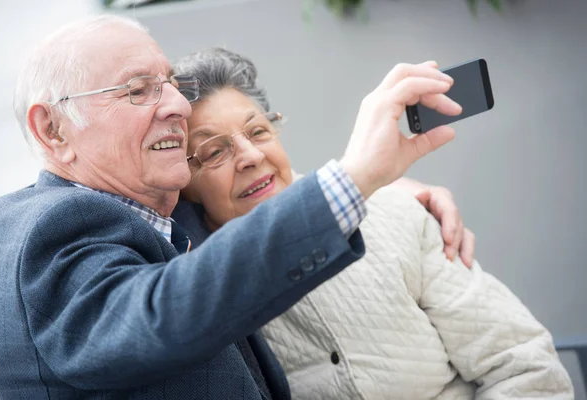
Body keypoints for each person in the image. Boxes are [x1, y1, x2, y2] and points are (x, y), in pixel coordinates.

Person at [0, 15, 468, 399]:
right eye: (137, 90)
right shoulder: (48, 227)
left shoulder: (150, 214)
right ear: (52, 130)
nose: (176, 104)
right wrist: (353, 178)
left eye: (170, 83)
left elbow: (233, 202)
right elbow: (164, 306)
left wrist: (382, 193)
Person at [174, 48, 574, 399]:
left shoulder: (394, 211)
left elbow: (523, 366)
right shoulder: (192, 289)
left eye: (258, 130)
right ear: (182, 183)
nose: (249, 155)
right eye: (213, 152)